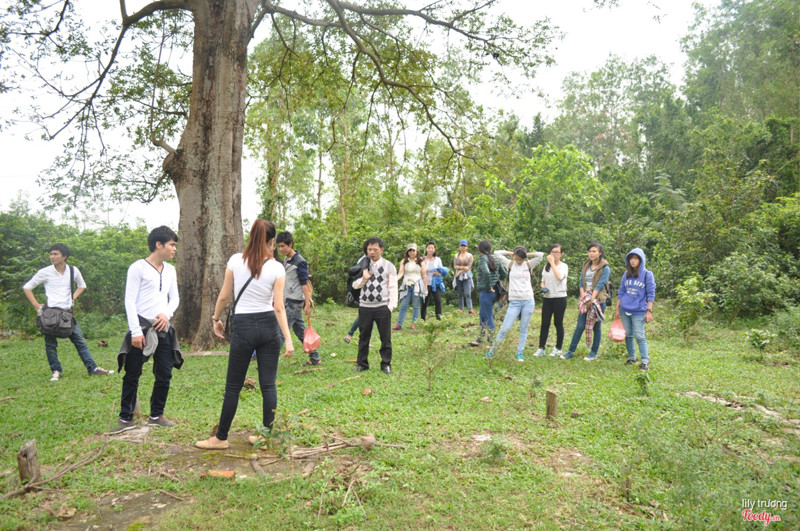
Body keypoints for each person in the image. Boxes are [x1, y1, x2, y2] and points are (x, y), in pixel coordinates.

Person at [195, 219, 294, 450]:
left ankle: (221, 438)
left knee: (233, 386)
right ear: (272, 241)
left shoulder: (235, 261)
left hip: (244, 326)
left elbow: (223, 296)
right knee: (268, 385)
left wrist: (215, 319)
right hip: (269, 327)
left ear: (250, 237)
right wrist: (288, 339)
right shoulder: (277, 268)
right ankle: (267, 437)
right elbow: (279, 307)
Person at [114, 226, 181, 433]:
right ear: (158, 244)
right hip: (142, 326)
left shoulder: (170, 270)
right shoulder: (138, 268)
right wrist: (135, 331)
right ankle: (125, 418)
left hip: (163, 327)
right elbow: (129, 300)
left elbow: (175, 298)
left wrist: (166, 314)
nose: (174, 249)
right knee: (132, 373)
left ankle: (156, 415)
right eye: (171, 245)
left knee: (164, 373)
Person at [23, 244, 113, 381]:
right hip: (51, 314)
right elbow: (27, 287)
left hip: (67, 313)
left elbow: (82, 286)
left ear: (64, 256)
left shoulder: (73, 270)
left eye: (55, 254)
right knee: (50, 345)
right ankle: (56, 371)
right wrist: (36, 304)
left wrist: (73, 297)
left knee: (80, 341)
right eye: (51, 254)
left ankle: (93, 369)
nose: (52, 257)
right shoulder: (45, 272)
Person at [486, 247, 543, 361]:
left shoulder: (528, 264)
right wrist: (511, 253)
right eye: (517, 259)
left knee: (523, 328)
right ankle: (492, 351)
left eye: (521, 259)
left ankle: (520, 353)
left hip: (528, 300)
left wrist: (526, 255)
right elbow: (497, 253)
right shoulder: (510, 264)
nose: (519, 261)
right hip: (514, 302)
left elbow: (540, 255)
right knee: (505, 328)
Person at [352, 237, 398, 374]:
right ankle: (362, 364)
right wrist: (364, 278)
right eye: (369, 249)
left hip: (382, 306)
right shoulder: (362, 264)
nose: (372, 252)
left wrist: (391, 306)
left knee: (385, 337)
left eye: (375, 250)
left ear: (381, 250)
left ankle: (386, 364)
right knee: (363, 336)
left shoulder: (389, 266)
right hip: (365, 306)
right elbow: (354, 285)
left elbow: (393, 287)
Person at [561, 242, 611, 361]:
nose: (591, 253)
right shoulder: (586, 265)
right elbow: (581, 283)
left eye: (594, 251)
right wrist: (584, 298)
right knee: (580, 326)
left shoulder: (605, 268)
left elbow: (600, 285)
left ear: (600, 253)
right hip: (585, 299)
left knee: (596, 327)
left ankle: (593, 353)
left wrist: (591, 300)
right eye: (590, 251)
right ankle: (570, 351)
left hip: (598, 300)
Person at [276, 231, 318, 366]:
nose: (281, 249)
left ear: (290, 244)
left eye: (283, 246)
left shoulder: (300, 262)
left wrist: (307, 303)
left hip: (295, 302)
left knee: (281, 331)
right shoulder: (287, 259)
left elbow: (304, 284)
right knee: (300, 331)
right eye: (279, 246)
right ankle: (315, 358)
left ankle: (268, 361)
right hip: (289, 300)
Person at [615, 248, 656, 371]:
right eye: (631, 258)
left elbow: (651, 294)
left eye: (636, 258)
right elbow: (621, 291)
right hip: (624, 309)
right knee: (628, 335)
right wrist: (617, 309)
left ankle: (644, 361)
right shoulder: (626, 274)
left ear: (641, 260)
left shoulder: (647, 275)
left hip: (639, 310)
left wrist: (649, 311)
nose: (633, 261)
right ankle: (631, 358)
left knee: (639, 335)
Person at [534, 244, 569, 357]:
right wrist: (543, 287)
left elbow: (559, 277)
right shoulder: (546, 267)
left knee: (558, 323)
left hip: (560, 297)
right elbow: (543, 281)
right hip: (548, 298)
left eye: (557, 252)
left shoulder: (564, 266)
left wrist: (552, 263)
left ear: (561, 254)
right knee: (545, 323)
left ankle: (558, 348)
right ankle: (541, 348)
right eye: (552, 252)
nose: (554, 254)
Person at [469, 240, 500, 348]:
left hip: (486, 292)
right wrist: (496, 282)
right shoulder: (495, 258)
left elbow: (486, 272)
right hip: (495, 292)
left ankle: (492, 342)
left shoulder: (482, 259)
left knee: (488, 316)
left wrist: (488, 286)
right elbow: (503, 272)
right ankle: (480, 339)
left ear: (480, 249)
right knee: (482, 316)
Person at [393, 243, 427, 331]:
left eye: (413, 251)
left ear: (416, 251)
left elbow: (424, 276)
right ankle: (399, 324)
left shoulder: (421, 262)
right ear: (407, 252)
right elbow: (401, 273)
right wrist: (394, 280)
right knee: (403, 305)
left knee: (416, 306)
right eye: (410, 251)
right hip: (407, 284)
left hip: (417, 285)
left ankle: (414, 324)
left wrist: (425, 288)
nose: (411, 252)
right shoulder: (404, 261)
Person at [420, 241, 445, 321]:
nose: (430, 249)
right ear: (426, 249)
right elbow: (419, 271)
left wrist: (438, 273)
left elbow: (442, 271)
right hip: (425, 283)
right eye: (429, 248)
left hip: (435, 283)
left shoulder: (438, 259)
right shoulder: (422, 259)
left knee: (438, 301)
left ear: (434, 250)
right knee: (424, 302)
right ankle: (423, 320)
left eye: (432, 248)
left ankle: (439, 319)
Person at [453, 239, 475, 314]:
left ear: (467, 247)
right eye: (462, 245)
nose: (463, 247)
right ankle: (461, 308)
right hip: (458, 277)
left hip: (467, 276)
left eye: (464, 246)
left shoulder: (470, 256)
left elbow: (468, 267)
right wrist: (463, 268)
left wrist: (459, 271)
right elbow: (455, 266)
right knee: (459, 293)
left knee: (468, 293)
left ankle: (470, 309)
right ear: (459, 247)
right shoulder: (456, 256)